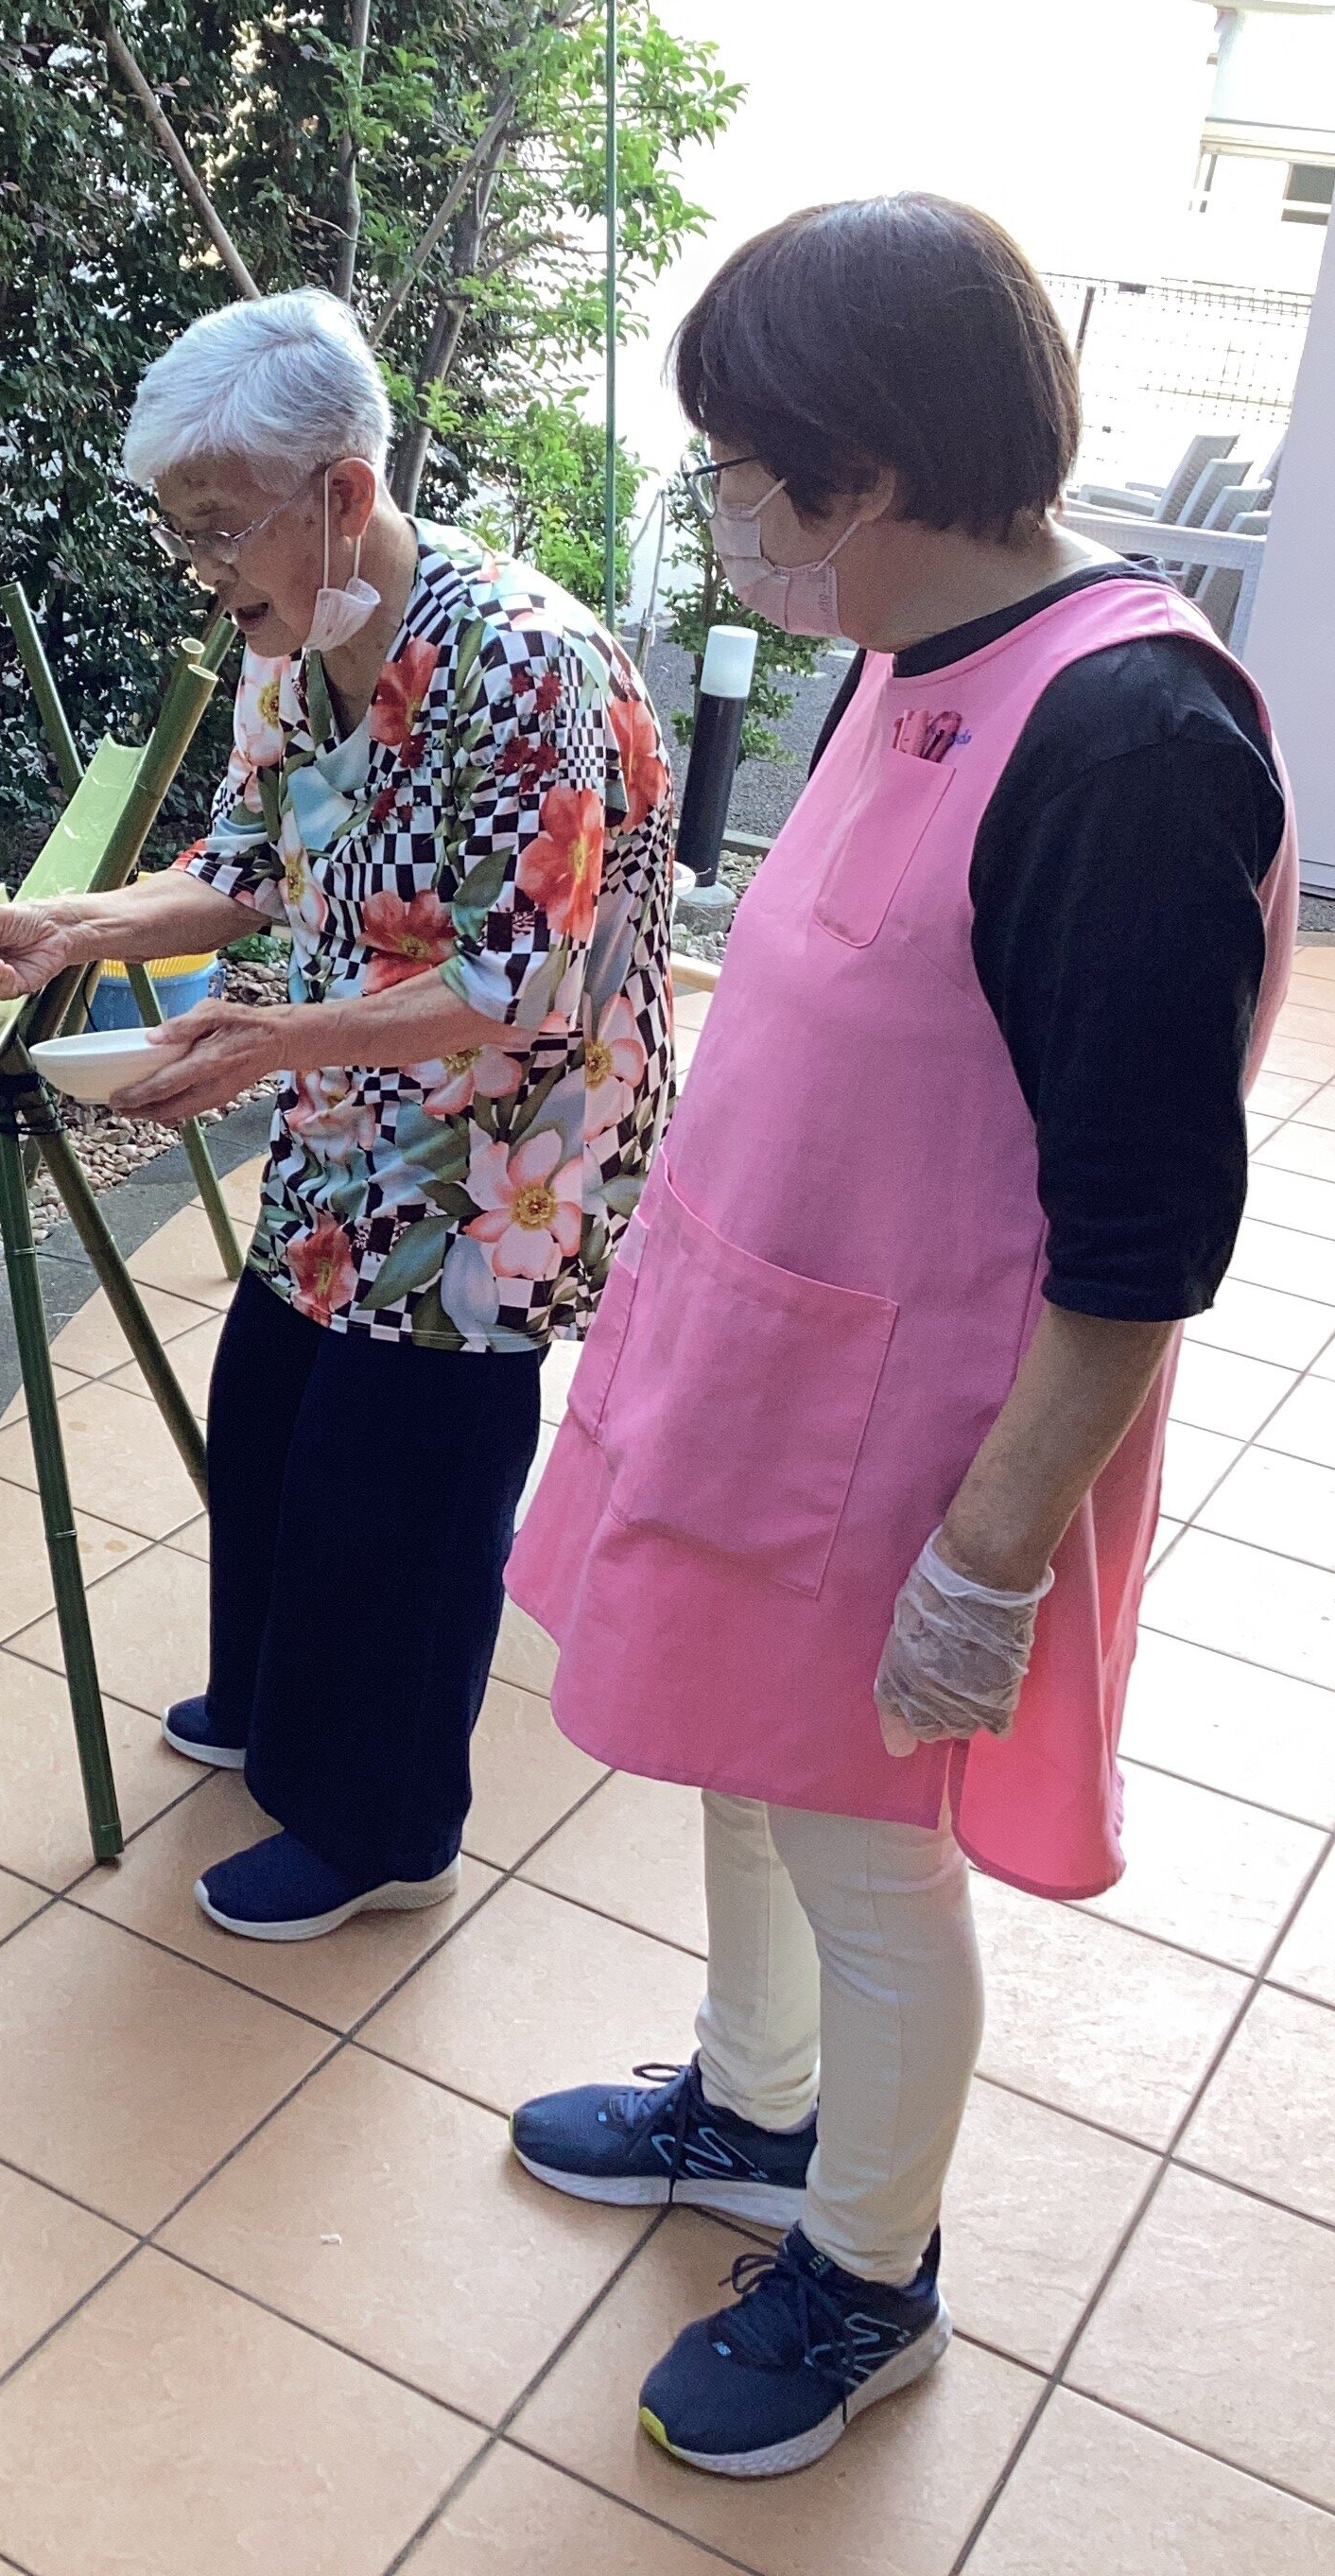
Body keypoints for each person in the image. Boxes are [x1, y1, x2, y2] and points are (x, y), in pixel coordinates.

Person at [506, 195, 1298, 2480]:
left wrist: (995, 1551)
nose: (725, 500)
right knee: (735, 1764)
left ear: (864, 470)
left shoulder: (1132, 739)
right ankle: (749, 2112)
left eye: (746, 457)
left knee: (868, 1853)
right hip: (770, 1368)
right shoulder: (907, 646)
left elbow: (1145, 1231)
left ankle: (872, 2263)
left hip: (919, 1442)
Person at [0, 287, 675, 1940]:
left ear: (342, 496)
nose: (201, 569)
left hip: (507, 1152)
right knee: (272, 1412)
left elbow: (520, 987)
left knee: (400, 1483)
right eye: (182, 532)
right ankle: (280, 1710)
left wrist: (273, 1038)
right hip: (346, 1112)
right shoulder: (299, 651)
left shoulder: (527, 666)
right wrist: (77, 925)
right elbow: (245, 868)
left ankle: (385, 1826)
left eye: (220, 529)